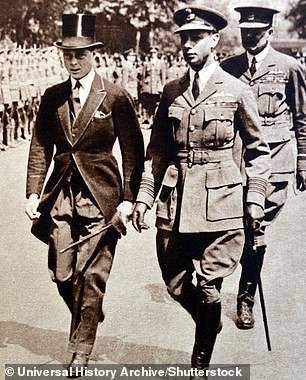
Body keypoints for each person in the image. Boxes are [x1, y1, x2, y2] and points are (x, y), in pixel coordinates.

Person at [132, 4, 270, 377]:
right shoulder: (171, 90)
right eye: (184, 39)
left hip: (222, 204)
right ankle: (210, 322)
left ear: (214, 39)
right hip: (175, 204)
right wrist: (145, 197)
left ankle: (200, 360)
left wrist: (255, 197)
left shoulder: (237, 90)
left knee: (209, 288)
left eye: (196, 38)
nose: (188, 46)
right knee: (175, 283)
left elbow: (258, 151)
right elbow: (157, 149)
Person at [25, 13, 144, 376]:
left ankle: (81, 349)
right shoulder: (53, 97)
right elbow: (40, 145)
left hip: (101, 197)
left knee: (91, 276)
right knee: (64, 275)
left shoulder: (116, 95)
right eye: (67, 55)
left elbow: (132, 150)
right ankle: (89, 311)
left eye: (80, 55)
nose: (73, 62)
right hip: (61, 195)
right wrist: (33, 192)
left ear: (94, 53)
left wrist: (128, 198)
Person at [221, 6, 306, 329]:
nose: (250, 38)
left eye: (256, 33)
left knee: (255, 229)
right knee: (233, 227)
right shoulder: (229, 67)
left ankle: (246, 297)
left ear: (269, 32)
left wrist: (303, 161)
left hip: (275, 162)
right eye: (246, 33)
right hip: (236, 160)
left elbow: (302, 118)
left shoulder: (289, 68)